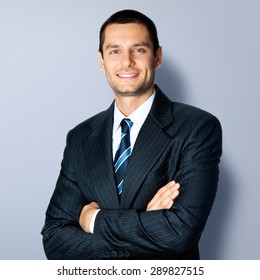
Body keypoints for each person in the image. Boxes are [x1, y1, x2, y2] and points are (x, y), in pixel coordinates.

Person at [41, 9, 222, 260]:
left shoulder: (197, 128)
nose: (126, 61)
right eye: (115, 51)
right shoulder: (80, 137)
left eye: (139, 49)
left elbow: (179, 233)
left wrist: (92, 219)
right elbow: (55, 241)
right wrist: (147, 221)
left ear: (157, 57)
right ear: (101, 59)